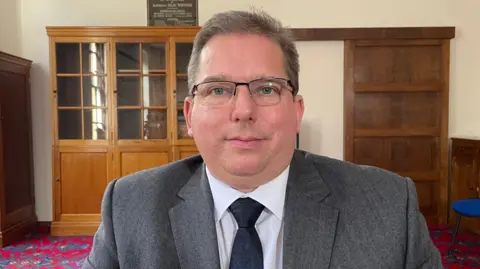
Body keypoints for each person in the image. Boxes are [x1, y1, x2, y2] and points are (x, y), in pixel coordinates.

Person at [82, 9, 444, 269]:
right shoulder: (130, 207)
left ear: (297, 111)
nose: (243, 110)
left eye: (266, 88)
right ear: (190, 115)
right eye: (218, 89)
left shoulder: (388, 207)